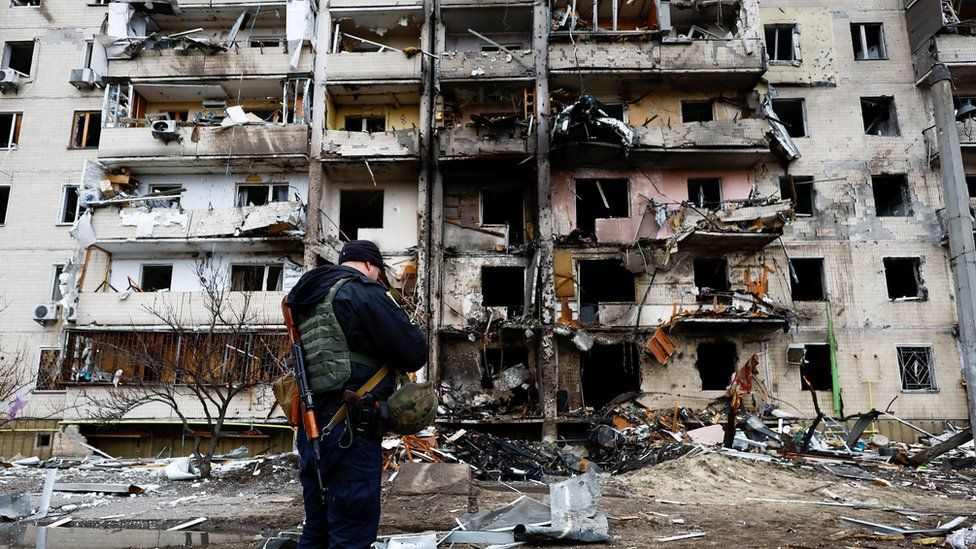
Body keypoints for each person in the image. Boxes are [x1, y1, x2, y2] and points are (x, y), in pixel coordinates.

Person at [286, 240, 428, 548]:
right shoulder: (362, 291)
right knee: (352, 532)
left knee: (317, 530)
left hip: (313, 428)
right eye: (377, 272)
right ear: (369, 265)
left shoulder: (306, 299)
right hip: (350, 429)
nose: (378, 277)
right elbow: (414, 351)